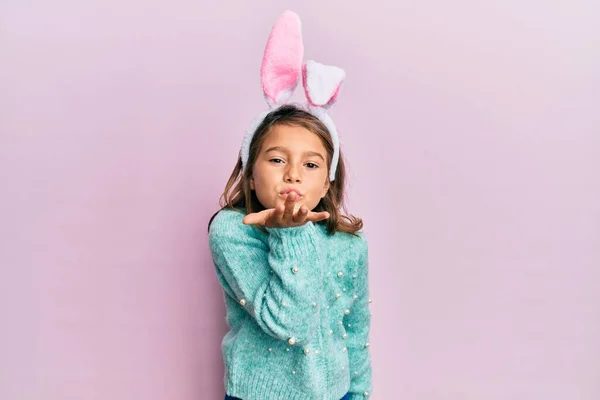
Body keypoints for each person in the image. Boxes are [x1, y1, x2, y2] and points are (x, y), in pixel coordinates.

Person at [208, 10, 372, 400]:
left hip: (338, 393)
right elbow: (287, 323)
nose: (293, 175)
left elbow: (356, 329)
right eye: (277, 159)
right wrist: (290, 233)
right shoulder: (234, 230)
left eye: (310, 164)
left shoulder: (350, 244)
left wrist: (361, 393)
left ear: (326, 181)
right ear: (250, 173)